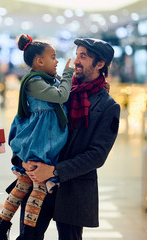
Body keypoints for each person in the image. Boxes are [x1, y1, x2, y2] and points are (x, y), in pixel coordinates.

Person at [16, 38, 120, 240]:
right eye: (77, 54)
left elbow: (97, 155)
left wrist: (55, 170)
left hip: (74, 187)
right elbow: (25, 124)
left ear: (100, 65)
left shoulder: (108, 106)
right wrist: (21, 159)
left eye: (84, 56)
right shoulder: (57, 91)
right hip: (37, 180)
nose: (76, 61)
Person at [0, 34, 73, 240]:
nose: (57, 60)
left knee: (24, 183)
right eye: (53, 56)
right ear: (39, 61)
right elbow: (61, 96)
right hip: (40, 144)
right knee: (39, 186)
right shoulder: (34, 82)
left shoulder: (45, 79)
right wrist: (68, 74)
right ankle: (28, 234)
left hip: (40, 142)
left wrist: (63, 77)